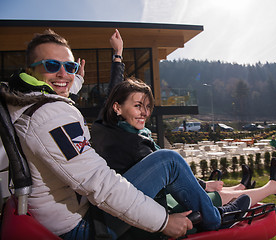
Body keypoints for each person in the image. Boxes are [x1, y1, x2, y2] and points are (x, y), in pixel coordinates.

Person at [0, 29, 260, 240]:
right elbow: (99, 183)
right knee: (168, 161)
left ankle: (212, 207)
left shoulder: (29, 101)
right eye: (52, 65)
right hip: (79, 228)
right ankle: (217, 219)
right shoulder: (53, 116)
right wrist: (164, 222)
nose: (63, 74)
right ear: (31, 70)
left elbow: (70, 88)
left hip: (62, 215)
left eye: (68, 66)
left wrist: (104, 63)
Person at [91, 78, 276, 207]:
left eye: (148, 107)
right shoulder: (134, 142)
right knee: (219, 198)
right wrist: (202, 185)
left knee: (216, 191)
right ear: (117, 108)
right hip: (155, 205)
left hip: (144, 197)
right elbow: (173, 178)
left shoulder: (110, 128)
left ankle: (240, 188)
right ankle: (273, 186)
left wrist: (117, 56)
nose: (145, 112)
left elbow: (114, 94)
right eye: (137, 106)